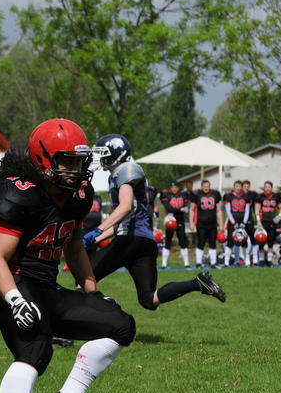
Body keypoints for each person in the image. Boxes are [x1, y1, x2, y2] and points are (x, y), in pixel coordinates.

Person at [0, 119, 137, 393]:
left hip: (46, 287)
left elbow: (74, 245)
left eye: (79, 160)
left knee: (119, 324)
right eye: (67, 160)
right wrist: (14, 299)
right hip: (10, 284)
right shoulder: (19, 193)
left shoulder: (77, 195)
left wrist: (92, 290)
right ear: (43, 160)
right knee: (36, 348)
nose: (76, 168)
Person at [84, 133, 226, 312]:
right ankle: (197, 283)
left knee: (85, 277)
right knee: (149, 299)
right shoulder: (119, 174)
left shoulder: (126, 169)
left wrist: (98, 229)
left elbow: (125, 207)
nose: (101, 158)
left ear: (117, 154)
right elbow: (121, 222)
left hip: (131, 240)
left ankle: (101, 317)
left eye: (104, 153)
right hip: (143, 241)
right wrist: (94, 239)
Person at [190, 179, 223, 268]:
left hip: (212, 223)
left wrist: (221, 224)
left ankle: (213, 263)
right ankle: (198, 263)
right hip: (201, 223)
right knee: (201, 243)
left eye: (207, 186)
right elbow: (192, 209)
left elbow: (219, 210)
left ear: (210, 186)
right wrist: (191, 222)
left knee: (213, 243)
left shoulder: (215, 194)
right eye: (204, 186)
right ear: (201, 187)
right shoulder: (197, 194)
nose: (206, 188)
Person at [159, 181, 191, 268]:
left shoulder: (183, 195)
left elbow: (186, 206)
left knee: (182, 241)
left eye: (175, 187)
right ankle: (164, 264)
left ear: (178, 188)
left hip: (180, 220)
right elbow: (168, 208)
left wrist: (182, 209)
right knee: (168, 241)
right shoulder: (167, 195)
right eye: (172, 187)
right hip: (170, 219)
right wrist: (180, 209)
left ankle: (186, 264)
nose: (174, 189)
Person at [254, 181, 281, 267]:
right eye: (266, 187)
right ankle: (261, 260)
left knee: (270, 242)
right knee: (261, 241)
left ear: (272, 188)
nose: (267, 188)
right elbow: (257, 209)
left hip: (272, 222)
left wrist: (279, 216)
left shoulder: (276, 196)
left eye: (269, 187)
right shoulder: (260, 196)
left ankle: (269, 261)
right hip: (263, 222)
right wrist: (258, 221)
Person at [223, 181, 251, 267]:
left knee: (244, 241)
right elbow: (228, 211)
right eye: (236, 186)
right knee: (230, 242)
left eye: (239, 186)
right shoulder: (229, 196)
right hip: (233, 221)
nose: (238, 188)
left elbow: (247, 210)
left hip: (242, 221)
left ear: (241, 187)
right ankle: (226, 262)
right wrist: (233, 222)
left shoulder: (245, 196)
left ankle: (247, 262)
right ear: (234, 187)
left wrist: (244, 222)